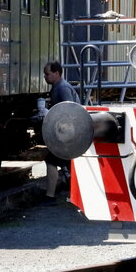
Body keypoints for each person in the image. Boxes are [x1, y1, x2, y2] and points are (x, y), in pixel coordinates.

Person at [40, 62, 78, 203]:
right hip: (66, 133)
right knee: (65, 163)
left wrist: (49, 113)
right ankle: (71, 191)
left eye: (47, 74)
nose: (45, 77)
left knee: (51, 161)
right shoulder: (57, 87)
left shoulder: (62, 88)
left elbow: (69, 111)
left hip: (68, 133)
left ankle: (50, 196)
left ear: (57, 73)